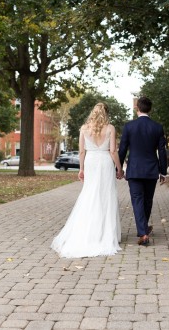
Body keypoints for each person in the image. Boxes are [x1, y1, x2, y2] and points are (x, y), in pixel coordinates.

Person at [51, 103, 123, 258]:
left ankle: (88, 232)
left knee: (90, 195)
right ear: (106, 113)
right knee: (106, 196)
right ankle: (105, 234)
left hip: (90, 161)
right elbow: (113, 151)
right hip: (104, 162)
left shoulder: (84, 129)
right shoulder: (110, 128)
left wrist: (81, 169)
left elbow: (82, 151)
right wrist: (119, 168)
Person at [118, 96, 167, 246]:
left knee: (137, 200)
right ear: (150, 109)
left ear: (137, 108)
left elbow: (122, 149)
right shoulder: (157, 127)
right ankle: (143, 229)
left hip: (134, 170)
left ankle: (143, 232)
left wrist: (118, 169)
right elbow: (162, 151)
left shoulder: (129, 126)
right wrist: (163, 171)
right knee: (147, 200)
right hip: (151, 170)